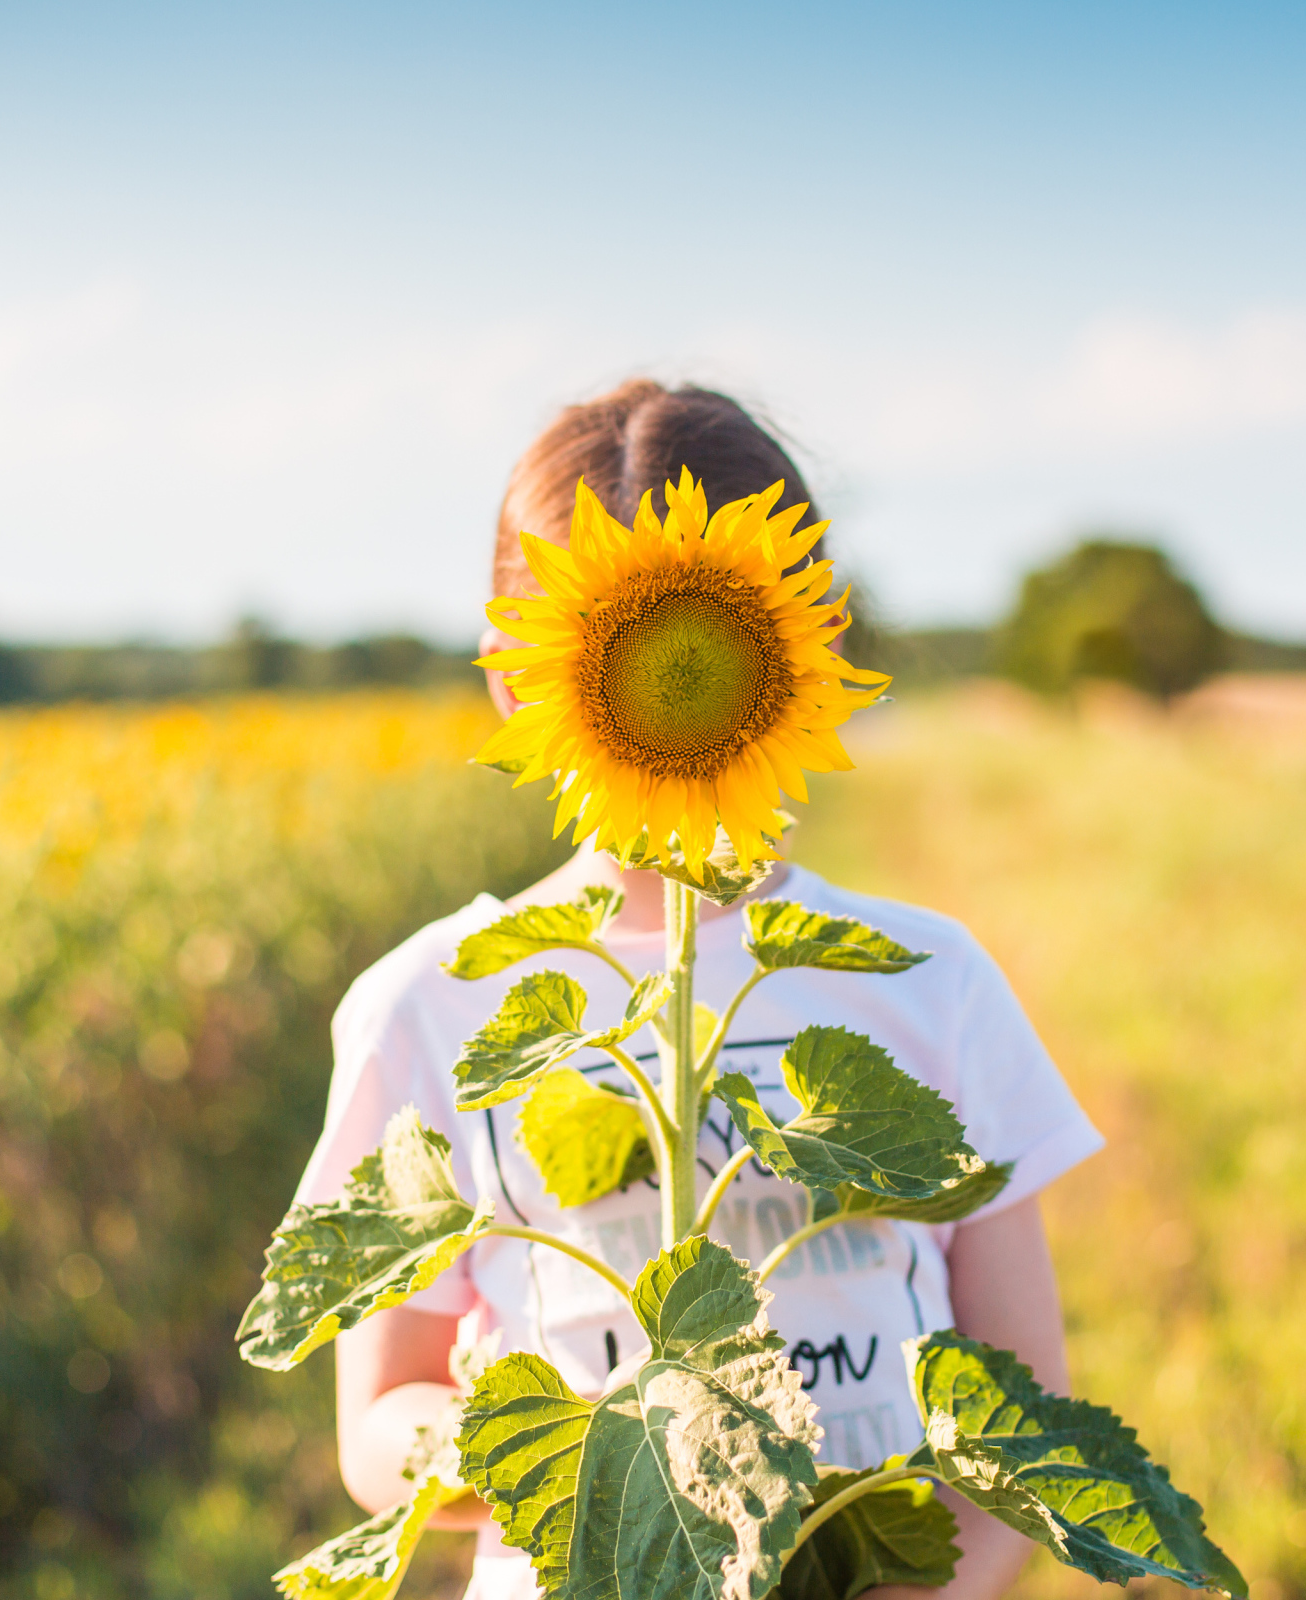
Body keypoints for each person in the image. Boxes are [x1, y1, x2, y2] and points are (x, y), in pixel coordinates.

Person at [295, 379, 1105, 1600]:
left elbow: (1023, 1409)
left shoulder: (929, 983)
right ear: (517, 681)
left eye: (714, 642)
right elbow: (374, 1427)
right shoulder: (435, 1001)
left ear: (810, 643)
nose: (675, 679)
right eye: (624, 644)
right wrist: (584, 1450)